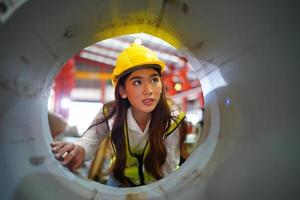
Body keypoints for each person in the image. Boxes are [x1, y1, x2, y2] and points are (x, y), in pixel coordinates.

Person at [51, 43, 188, 187]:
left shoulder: (173, 118)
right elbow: (89, 141)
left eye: (154, 80)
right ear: (122, 91)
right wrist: (78, 149)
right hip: (119, 182)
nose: (149, 90)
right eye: (137, 82)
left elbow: (169, 170)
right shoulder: (110, 113)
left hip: (158, 184)